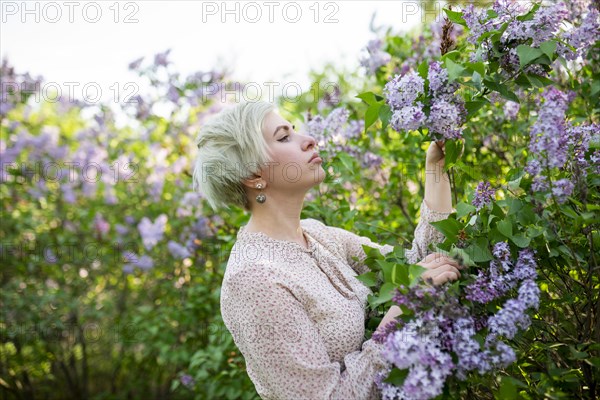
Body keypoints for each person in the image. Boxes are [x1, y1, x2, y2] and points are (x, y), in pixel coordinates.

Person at [192, 101, 465, 400]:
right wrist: (404, 308)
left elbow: (420, 266)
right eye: (284, 137)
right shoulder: (254, 281)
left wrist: (435, 168)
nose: (308, 139)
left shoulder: (316, 234)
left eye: (294, 131)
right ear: (253, 176)